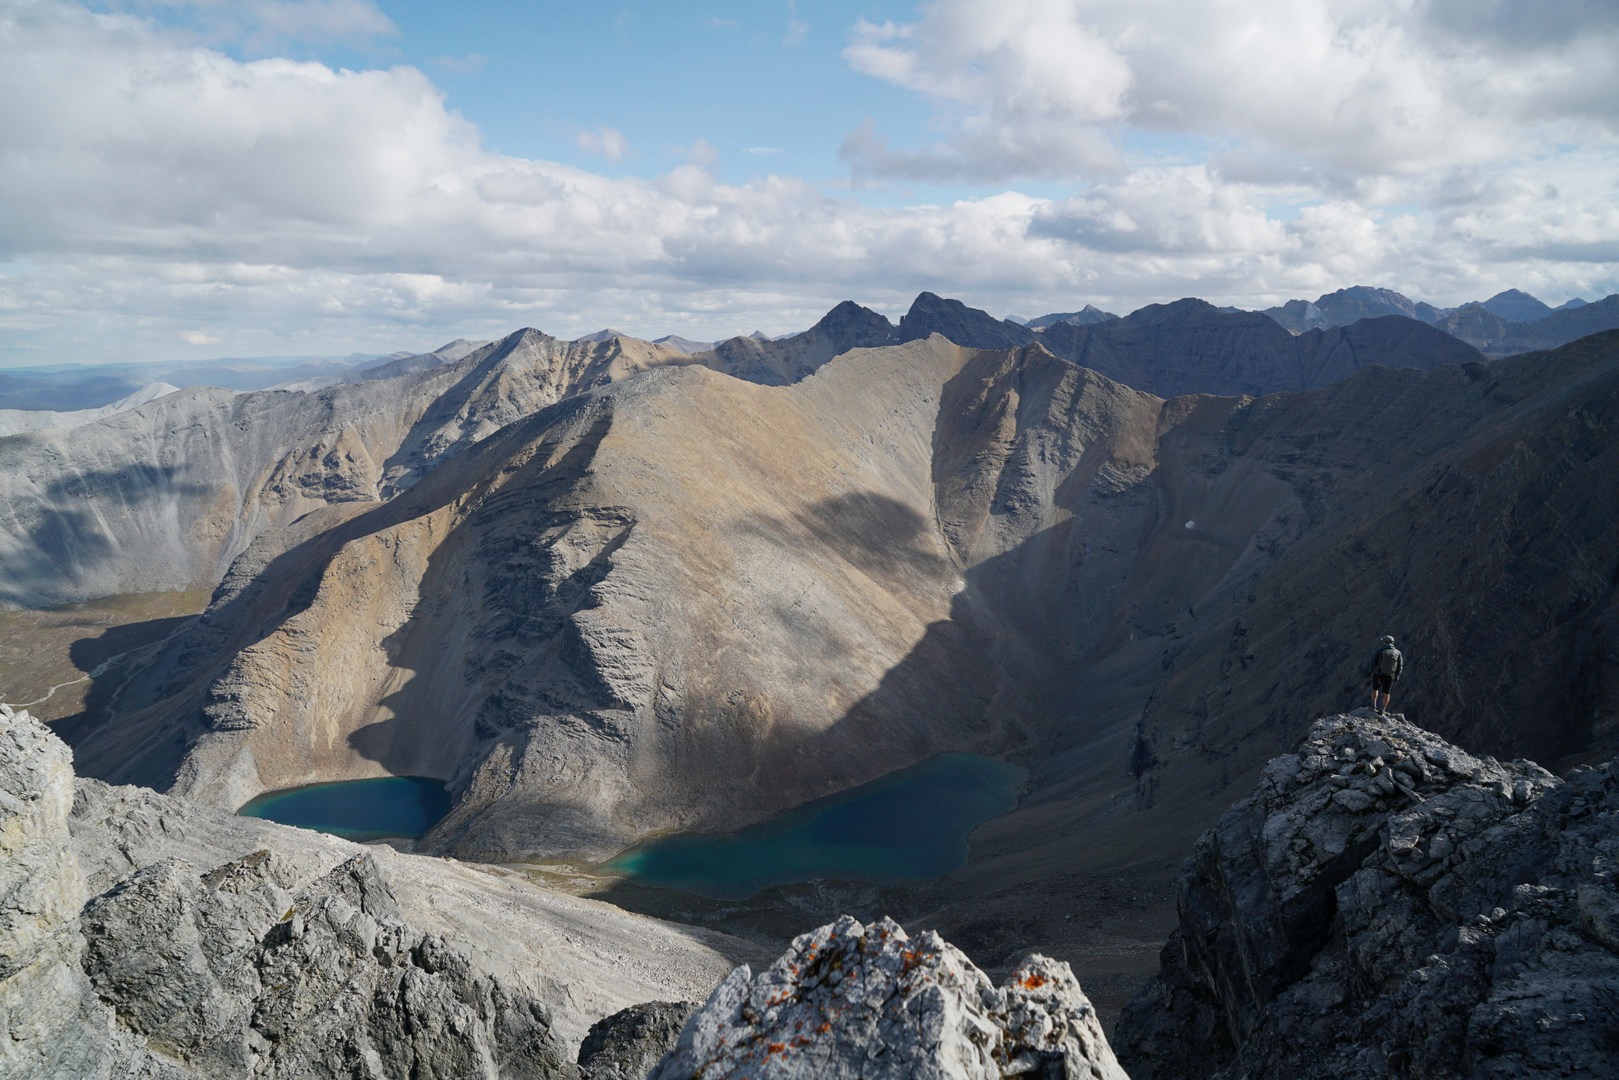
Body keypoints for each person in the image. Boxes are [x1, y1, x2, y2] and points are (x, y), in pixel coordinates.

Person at [1368, 634, 1403, 715]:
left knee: (1375, 689)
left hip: (1378, 674)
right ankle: (1383, 709)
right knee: (1387, 693)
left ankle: (1373, 705)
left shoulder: (1379, 651)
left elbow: (1373, 662)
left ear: (1384, 642)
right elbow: (1400, 666)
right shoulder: (1398, 653)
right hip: (1390, 675)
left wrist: (1370, 672)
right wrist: (1396, 677)